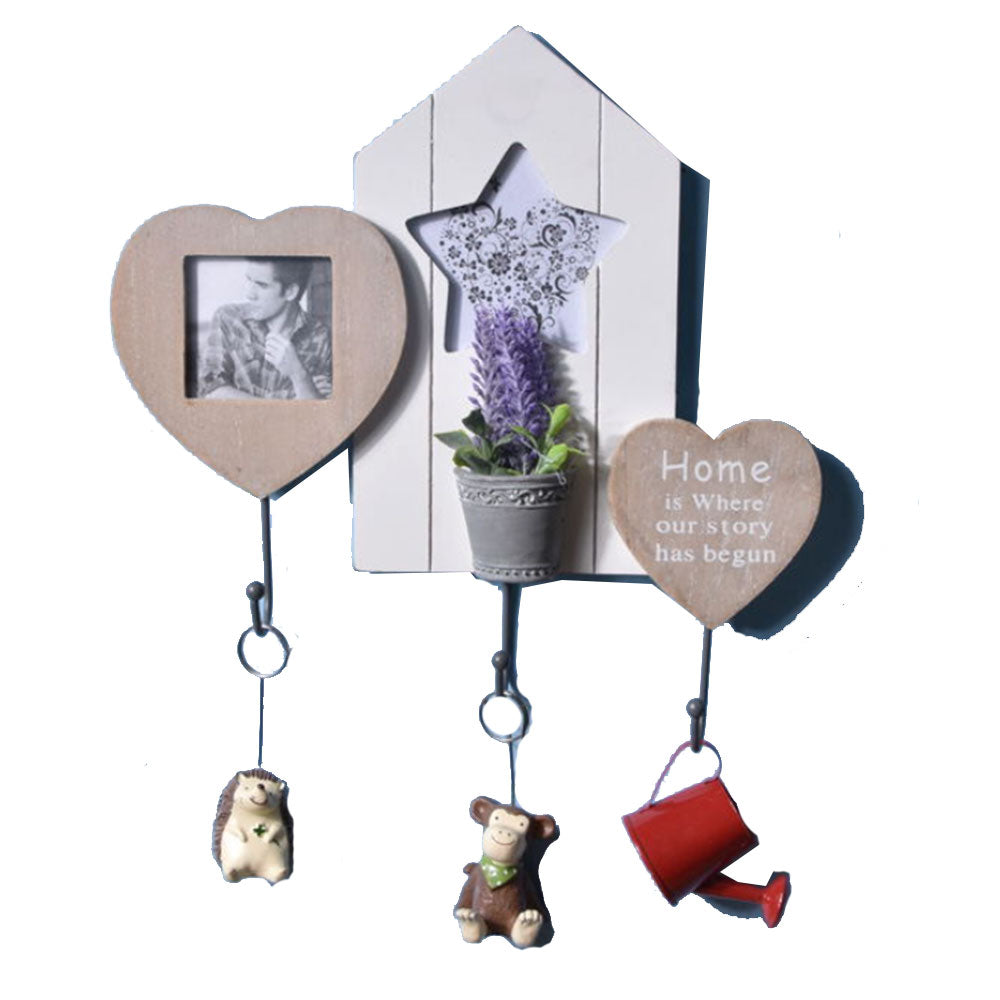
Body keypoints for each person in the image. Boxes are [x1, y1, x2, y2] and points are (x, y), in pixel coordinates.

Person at [197, 258, 332, 400]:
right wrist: (286, 406)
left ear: (290, 292)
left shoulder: (320, 337)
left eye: (262, 285)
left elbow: (317, 409)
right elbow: (210, 389)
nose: (249, 294)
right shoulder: (228, 318)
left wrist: (298, 374)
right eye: (249, 280)